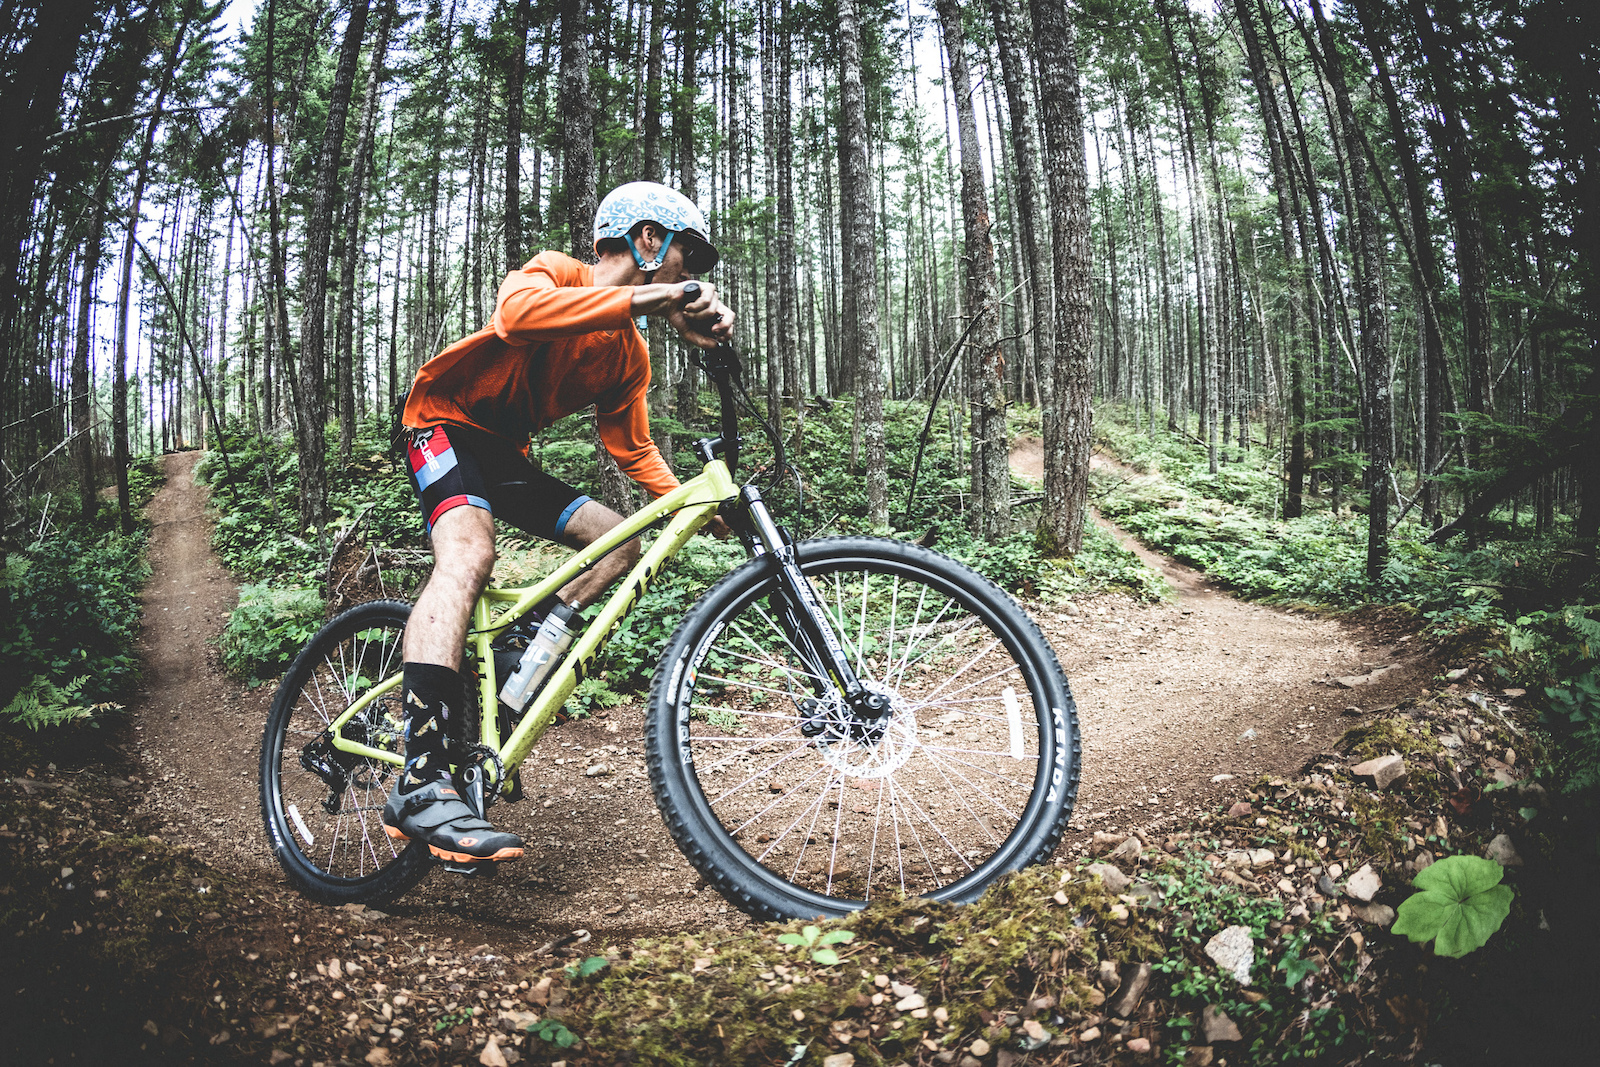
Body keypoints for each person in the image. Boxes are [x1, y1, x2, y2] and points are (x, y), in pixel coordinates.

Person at [382, 181, 734, 865]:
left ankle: (517, 655)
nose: (690, 276)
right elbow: (517, 315)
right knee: (468, 555)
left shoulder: (629, 355)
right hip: (440, 426)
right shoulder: (558, 271)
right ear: (648, 239)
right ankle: (420, 777)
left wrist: (700, 498)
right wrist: (653, 297)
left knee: (619, 542)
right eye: (685, 257)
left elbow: (630, 448)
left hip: (502, 455)